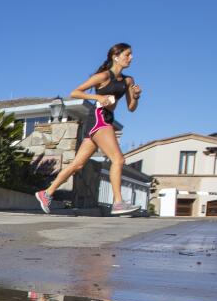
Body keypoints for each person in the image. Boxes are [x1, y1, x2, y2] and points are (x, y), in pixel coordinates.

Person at [36, 43, 143, 215]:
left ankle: (46, 193)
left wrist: (136, 96)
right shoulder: (103, 76)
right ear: (116, 57)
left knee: (77, 165)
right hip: (99, 117)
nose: (131, 58)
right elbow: (75, 92)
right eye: (127, 54)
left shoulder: (128, 80)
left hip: (107, 118)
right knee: (118, 159)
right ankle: (118, 203)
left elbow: (131, 107)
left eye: (131, 55)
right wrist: (98, 96)